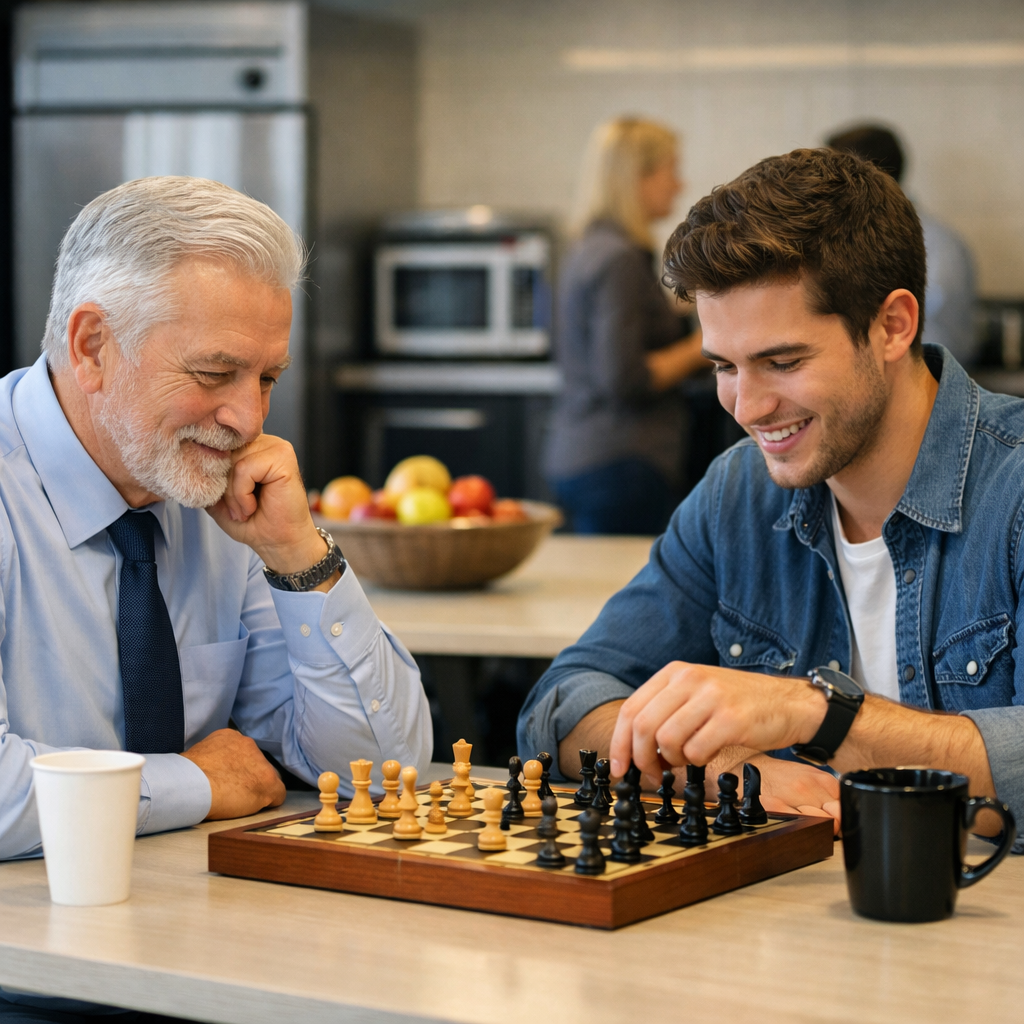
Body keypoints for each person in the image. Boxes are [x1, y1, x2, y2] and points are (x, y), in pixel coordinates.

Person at [518, 148, 1022, 852]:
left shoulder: (1015, 489)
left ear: (893, 325)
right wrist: (733, 775)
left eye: (783, 362)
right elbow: (565, 703)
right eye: (724, 366)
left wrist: (817, 715)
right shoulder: (736, 492)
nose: (748, 407)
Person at [0, 177, 432, 864]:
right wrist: (196, 783)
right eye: (212, 373)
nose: (249, 421)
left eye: (266, 379)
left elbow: (377, 775)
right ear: (91, 347)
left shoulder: (217, 493)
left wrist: (299, 556)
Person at [544, 117, 707, 535]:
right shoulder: (620, 260)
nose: (679, 184)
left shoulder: (588, 248)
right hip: (622, 464)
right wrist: (702, 346)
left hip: (581, 454)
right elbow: (624, 378)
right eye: (671, 169)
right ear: (637, 177)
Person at [827, 124, 978, 366]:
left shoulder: (939, 246)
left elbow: (942, 345)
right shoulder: (845, 237)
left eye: (830, 176)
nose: (823, 189)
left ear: (858, 178)